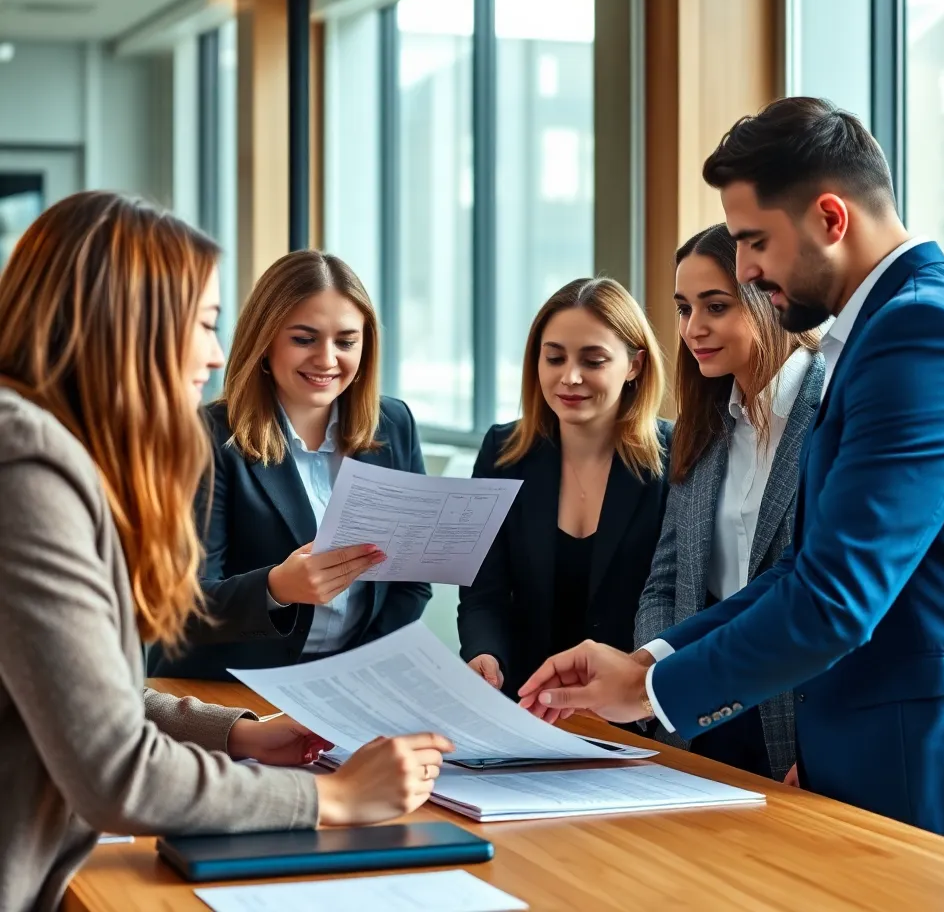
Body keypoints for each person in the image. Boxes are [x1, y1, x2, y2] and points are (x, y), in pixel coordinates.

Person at [519, 97, 944, 858]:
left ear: (830, 217)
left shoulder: (924, 333)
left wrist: (650, 693)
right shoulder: (886, 329)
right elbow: (805, 564)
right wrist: (650, 659)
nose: (748, 266)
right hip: (882, 745)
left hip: (930, 757)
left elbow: (835, 599)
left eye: (755, 242)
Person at [0, 193, 452, 912]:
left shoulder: (47, 451)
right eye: (205, 324)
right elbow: (116, 770)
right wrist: (329, 798)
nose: (215, 354)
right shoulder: (26, 467)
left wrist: (237, 735)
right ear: (127, 324)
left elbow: (91, 696)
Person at [150, 251, 431, 679]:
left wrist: (362, 672)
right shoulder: (206, 436)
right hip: (229, 691)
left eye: (346, 341)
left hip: (349, 683)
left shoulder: (394, 425)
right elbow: (182, 606)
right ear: (264, 342)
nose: (327, 359)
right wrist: (275, 588)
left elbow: (412, 581)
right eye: (304, 339)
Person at [634, 224, 823, 780]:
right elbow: (665, 580)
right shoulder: (705, 423)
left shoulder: (833, 406)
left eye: (715, 306)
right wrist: (651, 689)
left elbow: (838, 594)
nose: (694, 329)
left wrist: (824, 741)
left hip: (799, 721)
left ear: (769, 301)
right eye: (684, 309)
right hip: (700, 711)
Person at [457, 277, 671, 699]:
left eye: (593, 361)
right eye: (554, 358)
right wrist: (485, 653)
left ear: (635, 365)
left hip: (628, 711)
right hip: (523, 700)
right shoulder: (503, 451)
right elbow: (482, 592)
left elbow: (677, 596)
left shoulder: (677, 456)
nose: (569, 377)